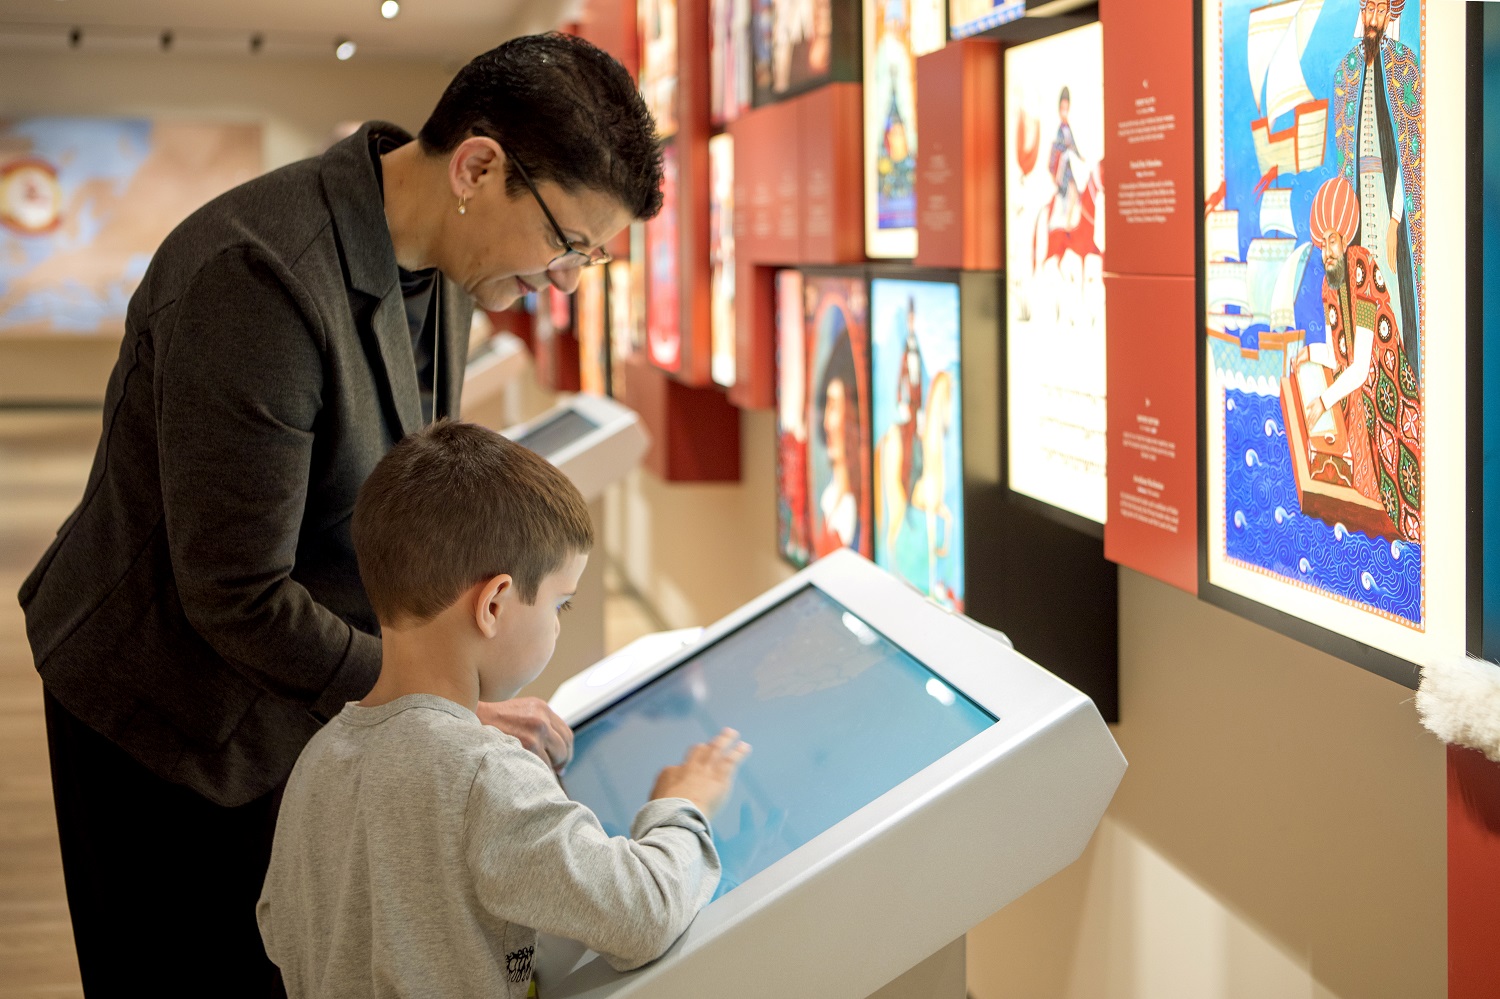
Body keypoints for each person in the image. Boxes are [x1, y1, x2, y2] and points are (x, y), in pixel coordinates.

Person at [17, 32, 663, 997]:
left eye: (592, 258)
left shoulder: (446, 268)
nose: (569, 278)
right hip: (163, 709)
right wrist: (431, 698)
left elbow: (407, 498)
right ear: (479, 167)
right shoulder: (259, 276)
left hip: (290, 690)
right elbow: (235, 592)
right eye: (568, 243)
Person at [257, 421, 749, 998]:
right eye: (561, 603)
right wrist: (682, 806)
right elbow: (644, 913)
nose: (561, 622)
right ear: (493, 603)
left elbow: (279, 928)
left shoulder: (317, 759)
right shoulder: (484, 774)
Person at [1300, 175, 1422, 542]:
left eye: (1332, 242)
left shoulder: (1364, 271)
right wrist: (1307, 355)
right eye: (1322, 245)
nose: (1327, 252)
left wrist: (1322, 401)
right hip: (1353, 391)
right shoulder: (1328, 286)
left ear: (1346, 238)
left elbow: (1363, 364)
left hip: (1383, 394)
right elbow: (1334, 352)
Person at [1332, 0, 1423, 378]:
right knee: (1359, 289)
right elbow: (1343, 158)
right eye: (1368, 8)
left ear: (1392, 16)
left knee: (1391, 286)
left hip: (1389, 204)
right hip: (1358, 204)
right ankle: (1364, 377)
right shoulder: (1348, 71)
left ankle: (1399, 378)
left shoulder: (1404, 65)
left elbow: (1410, 151)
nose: (1373, 18)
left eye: (1381, 10)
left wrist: (1395, 221)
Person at [814, 322, 865, 556]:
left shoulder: (863, 512)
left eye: (834, 407)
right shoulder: (829, 500)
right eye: (827, 406)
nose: (826, 423)